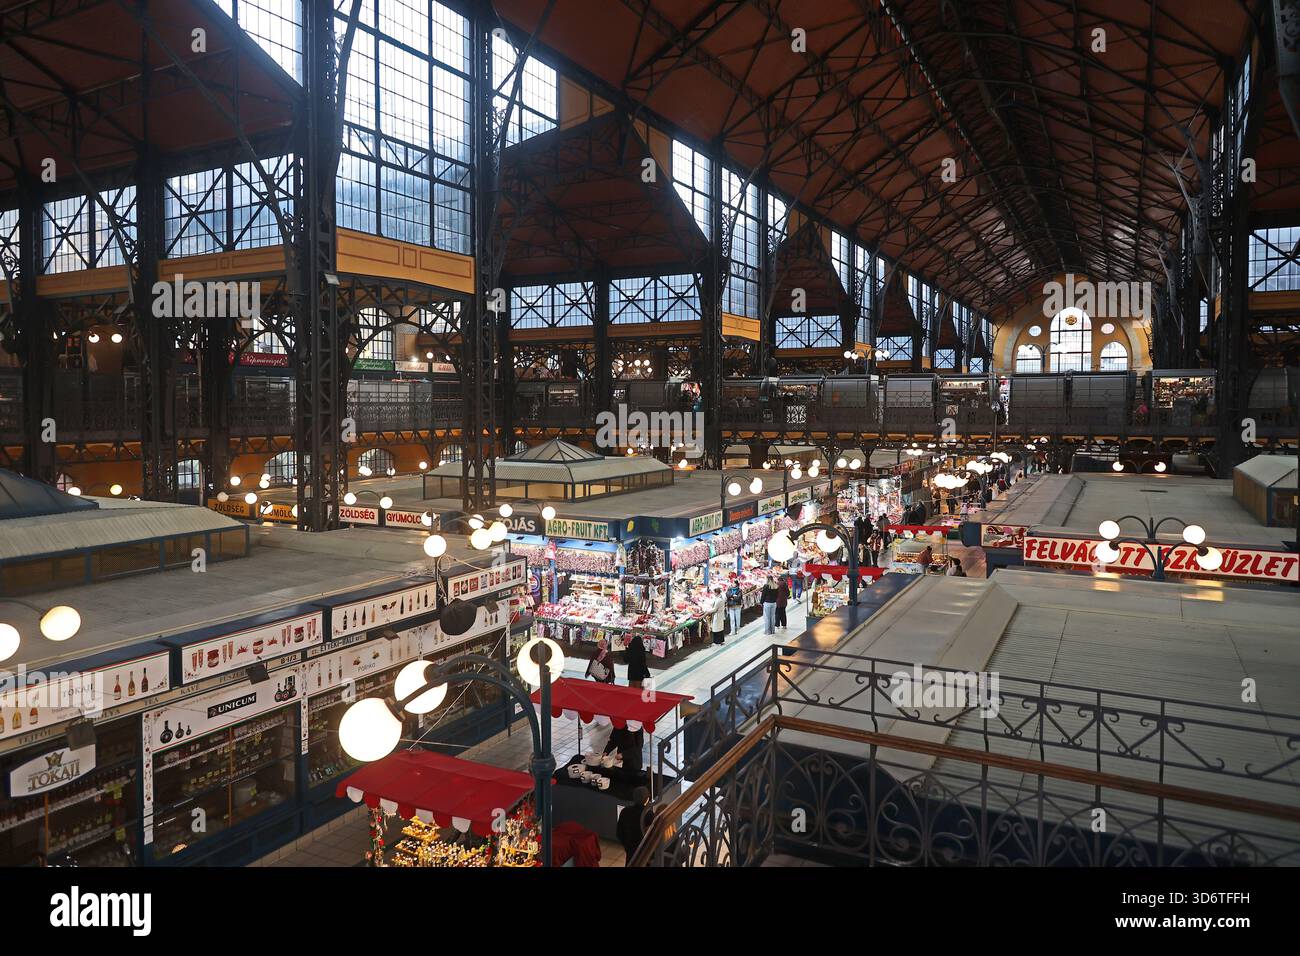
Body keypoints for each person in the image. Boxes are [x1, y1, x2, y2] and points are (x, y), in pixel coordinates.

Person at [616, 787, 655, 864]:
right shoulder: (649, 815)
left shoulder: (625, 811)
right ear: (647, 799)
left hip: (631, 852)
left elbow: (619, 833)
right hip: (645, 854)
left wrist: (627, 846)